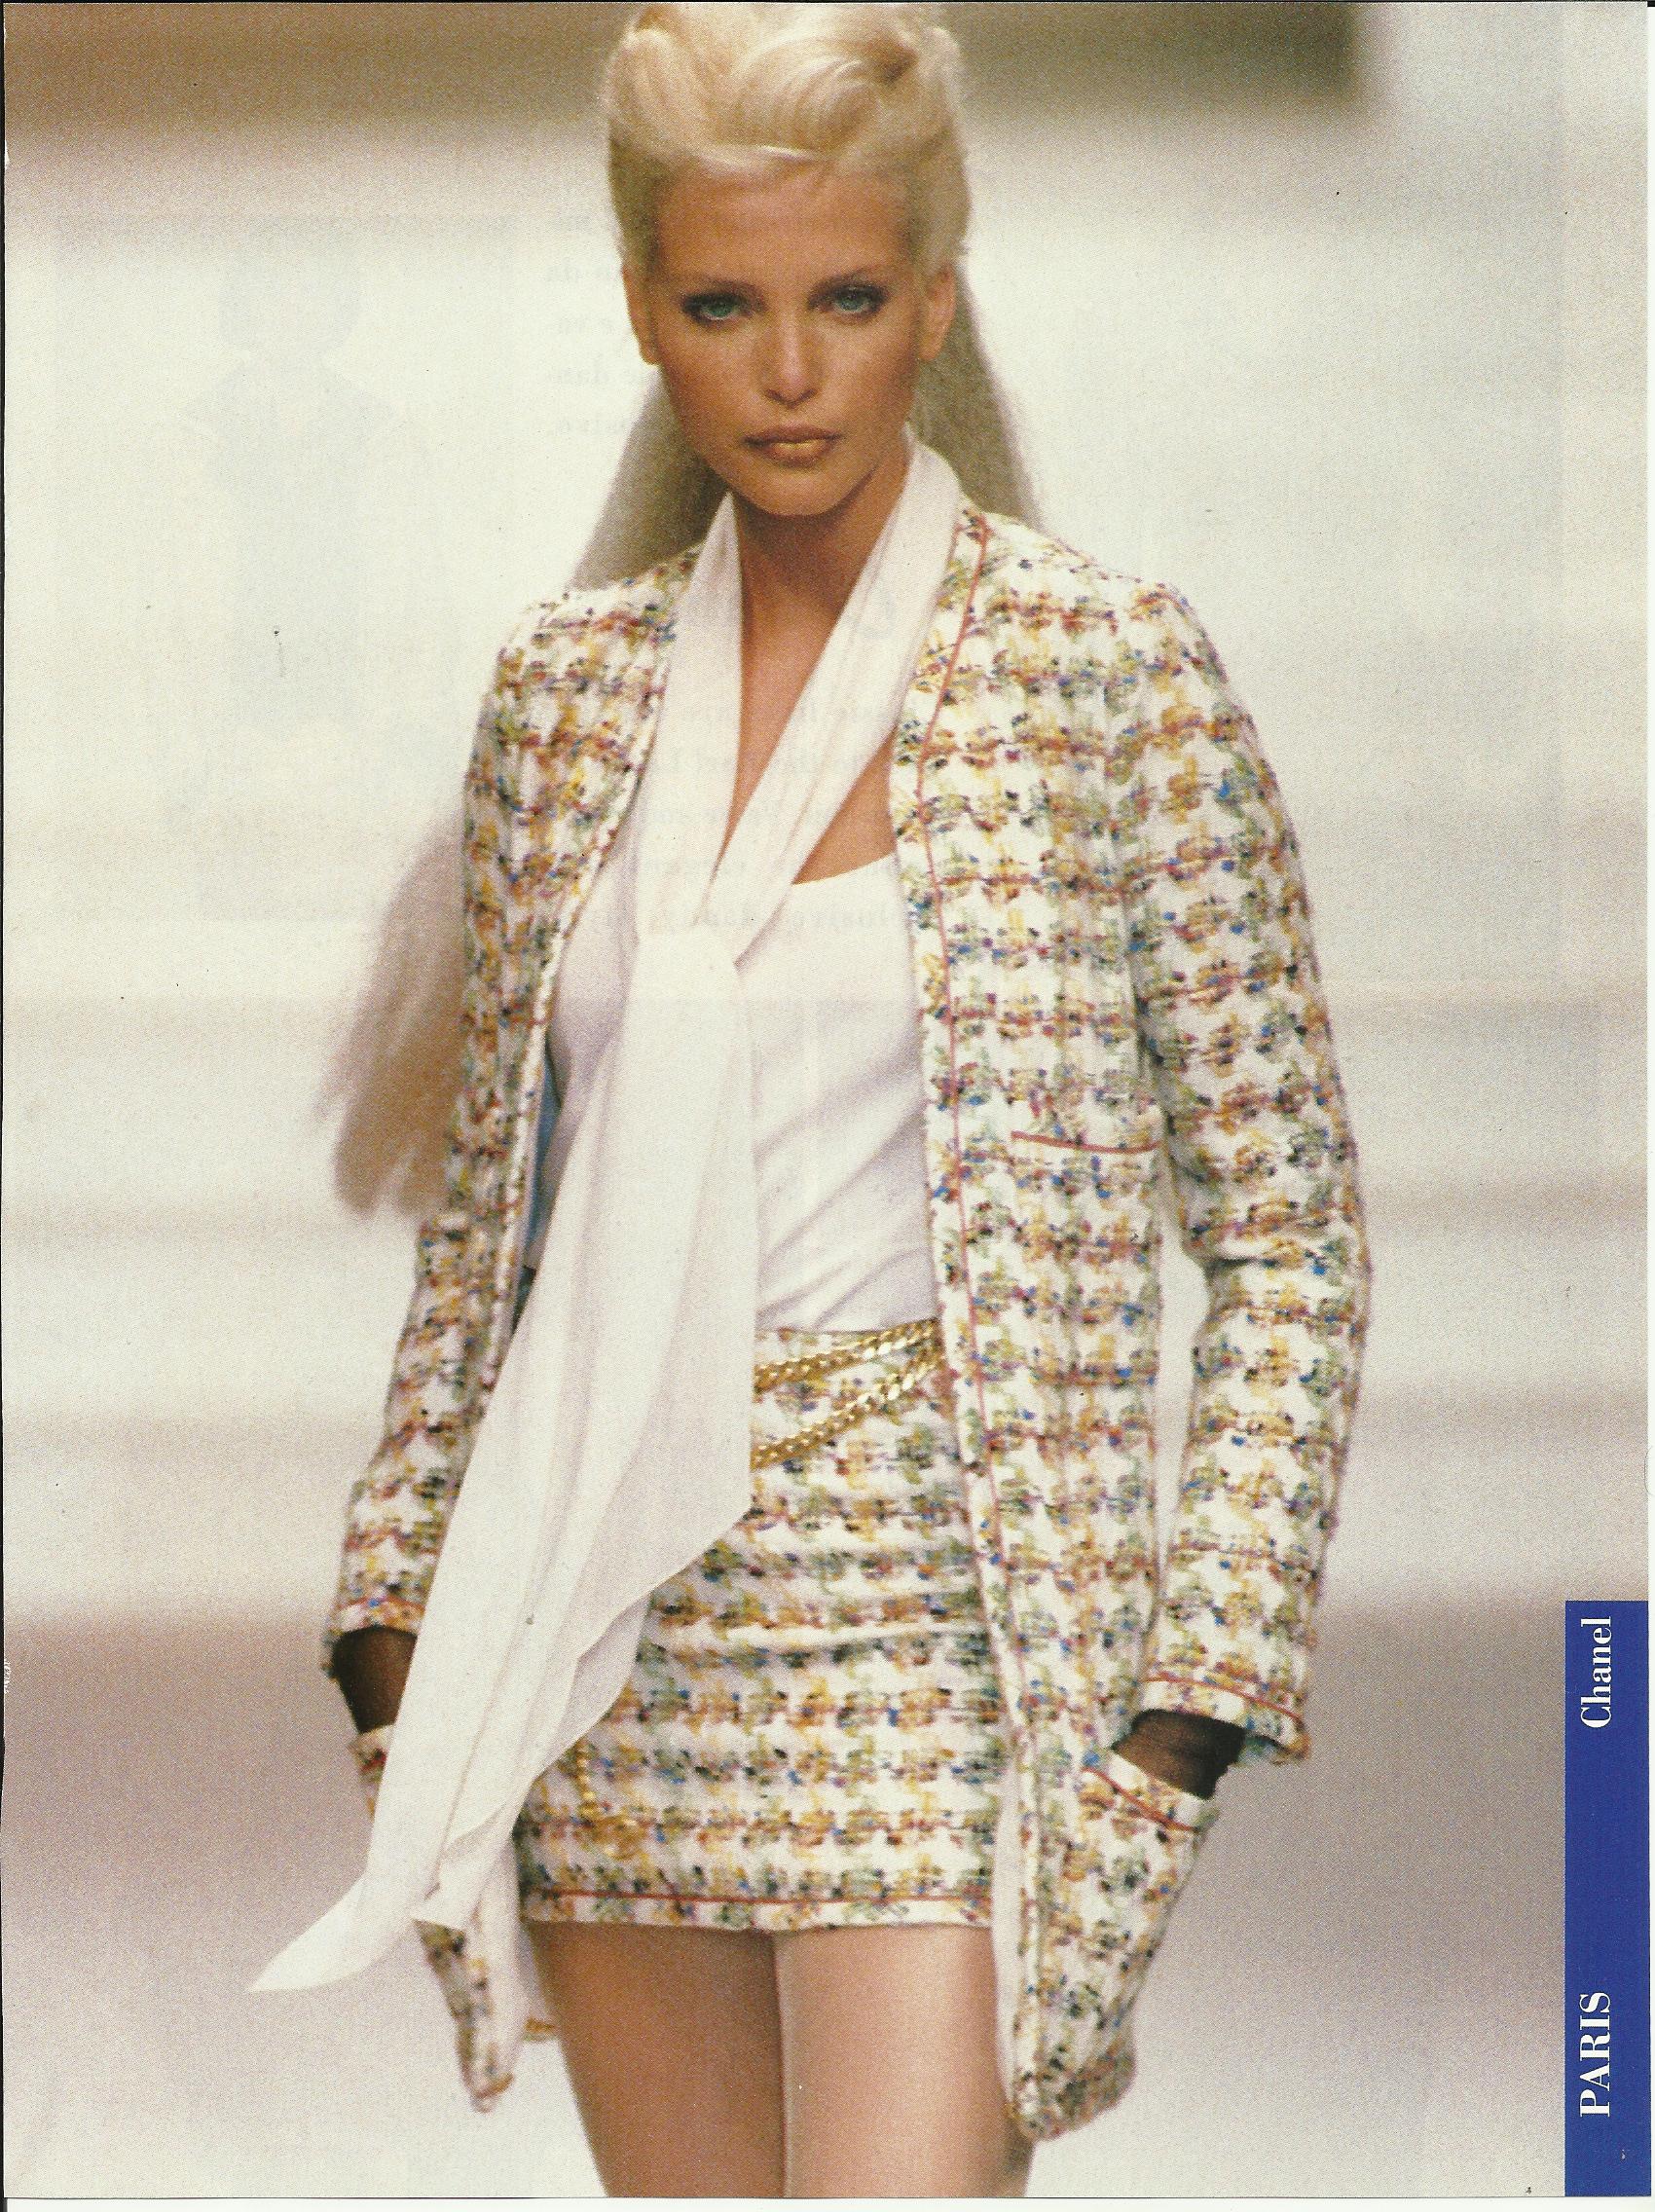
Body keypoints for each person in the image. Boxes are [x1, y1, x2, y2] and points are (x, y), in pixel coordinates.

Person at [254, 4, 1372, 2197]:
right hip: (600, 1629)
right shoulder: (566, 698)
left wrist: (1187, 1706)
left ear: (934, 301)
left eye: (846, 300)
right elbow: (495, 1230)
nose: (787, 373)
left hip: (953, 1629)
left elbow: (1291, 1236)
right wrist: (389, 1620)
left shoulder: (1105, 678)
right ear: (640, 314)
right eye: (723, 308)